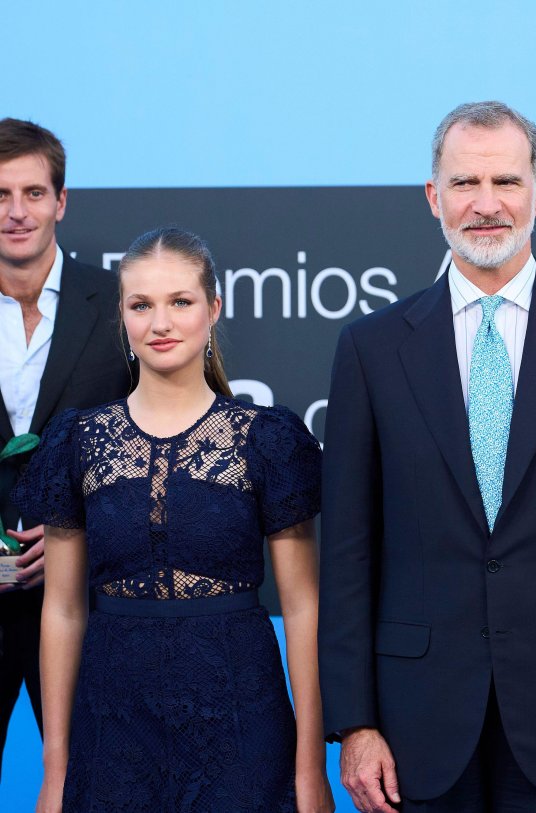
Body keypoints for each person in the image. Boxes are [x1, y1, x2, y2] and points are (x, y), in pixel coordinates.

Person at [318, 101, 536, 813]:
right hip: (415, 725)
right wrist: (354, 722)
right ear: (433, 197)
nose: (486, 206)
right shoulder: (372, 347)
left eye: (506, 182)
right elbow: (349, 550)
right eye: (464, 184)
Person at [12, 228, 333, 812]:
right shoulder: (77, 442)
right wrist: (55, 770)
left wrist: (310, 767)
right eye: (142, 305)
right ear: (123, 318)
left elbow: (304, 606)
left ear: (213, 309)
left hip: (241, 724)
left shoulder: (267, 439)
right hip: (112, 730)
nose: (161, 323)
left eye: (180, 302)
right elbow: (61, 610)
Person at [0, 117, 133, 781]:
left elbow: (160, 443)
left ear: (61, 200)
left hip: (88, 600)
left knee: (92, 782)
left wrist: (88, 532)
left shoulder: (120, 306)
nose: (16, 212)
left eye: (31, 192)